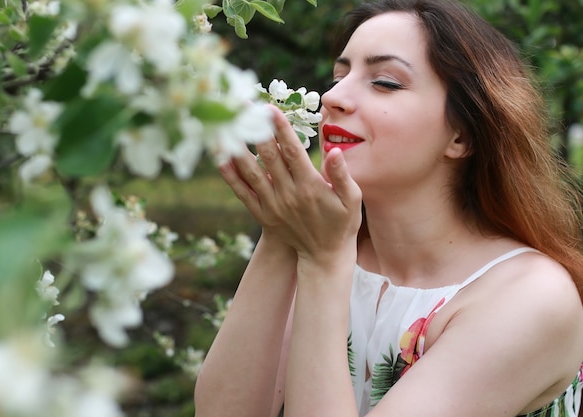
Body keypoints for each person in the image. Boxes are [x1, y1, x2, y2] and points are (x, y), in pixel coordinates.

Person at [193, 0, 583, 416]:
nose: (332, 97)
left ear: (461, 135)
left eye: (384, 82)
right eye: (339, 76)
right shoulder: (330, 250)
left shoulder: (528, 298)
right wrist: (281, 233)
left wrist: (321, 261)